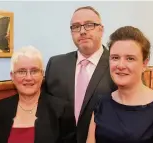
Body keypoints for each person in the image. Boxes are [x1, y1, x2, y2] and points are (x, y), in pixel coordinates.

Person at [86, 26, 153, 143]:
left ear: (144, 64)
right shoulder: (101, 104)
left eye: (130, 59)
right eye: (115, 57)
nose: (120, 65)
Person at [44, 6, 117, 143]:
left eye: (89, 25)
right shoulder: (56, 64)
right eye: (76, 27)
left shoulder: (118, 66)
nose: (82, 31)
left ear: (101, 30)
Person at [0, 46, 75, 143]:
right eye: (21, 71)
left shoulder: (62, 110)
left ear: (42, 74)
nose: (28, 77)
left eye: (34, 71)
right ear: (12, 76)